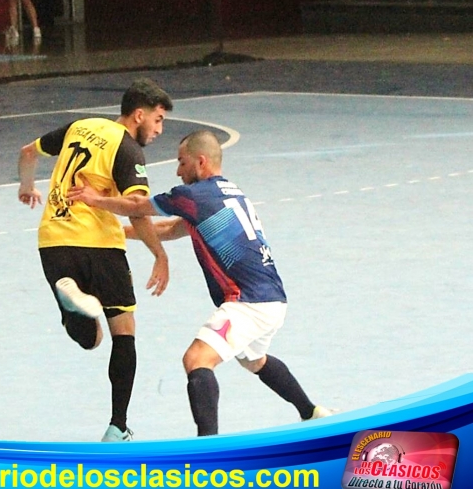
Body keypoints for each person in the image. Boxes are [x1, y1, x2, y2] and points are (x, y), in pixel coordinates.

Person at [68, 130, 332, 436]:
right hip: (272, 298)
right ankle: (311, 412)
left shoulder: (194, 195)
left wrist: (94, 199)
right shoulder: (227, 192)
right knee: (254, 360)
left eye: (182, 162)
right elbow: (170, 229)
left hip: (248, 301)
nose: (178, 171)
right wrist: (115, 235)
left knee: (196, 359)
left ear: (201, 161)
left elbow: (138, 205)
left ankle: (209, 448)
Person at [17, 78, 173, 442]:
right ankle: (118, 426)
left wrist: (26, 186)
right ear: (139, 115)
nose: (159, 129)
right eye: (158, 119)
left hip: (53, 241)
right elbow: (136, 208)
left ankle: (77, 305)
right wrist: (159, 254)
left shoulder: (80, 126)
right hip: (100, 244)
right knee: (123, 332)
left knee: (91, 338)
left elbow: (28, 153)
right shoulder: (128, 150)